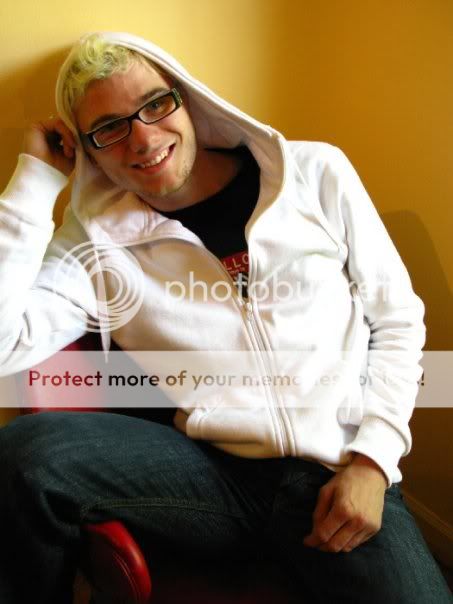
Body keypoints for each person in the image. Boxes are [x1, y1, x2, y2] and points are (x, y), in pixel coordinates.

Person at [0, 31, 451, 604]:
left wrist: (373, 463)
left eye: (154, 104)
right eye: (109, 128)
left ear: (185, 98)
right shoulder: (94, 240)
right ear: (88, 149)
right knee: (25, 452)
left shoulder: (313, 172)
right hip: (209, 475)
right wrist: (34, 184)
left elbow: (399, 320)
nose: (143, 138)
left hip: (336, 472)